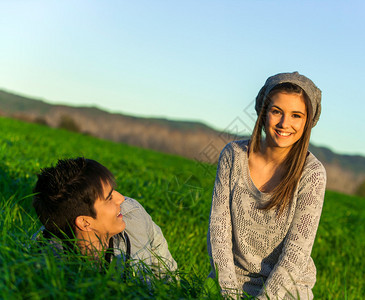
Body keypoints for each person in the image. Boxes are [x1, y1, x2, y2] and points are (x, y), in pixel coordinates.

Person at [207, 72, 326, 299]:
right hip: (230, 283)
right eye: (276, 111)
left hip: (286, 291)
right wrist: (228, 292)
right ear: (263, 113)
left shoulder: (312, 174)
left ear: (307, 122)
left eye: (296, 115)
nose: (284, 124)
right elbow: (218, 230)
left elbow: (296, 254)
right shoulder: (233, 156)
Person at [32, 157, 177, 280]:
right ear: (85, 222)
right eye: (109, 198)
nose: (121, 199)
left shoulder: (134, 214)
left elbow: (169, 278)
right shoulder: (43, 262)